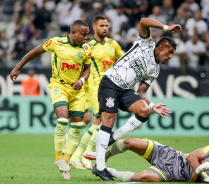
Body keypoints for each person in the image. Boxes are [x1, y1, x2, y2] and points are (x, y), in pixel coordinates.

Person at [93, 17, 182, 181]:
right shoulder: (146, 44)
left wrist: (152, 105)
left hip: (125, 90)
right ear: (161, 47)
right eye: (169, 53)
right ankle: (100, 167)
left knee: (144, 111)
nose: (170, 57)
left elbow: (141, 91)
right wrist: (166, 28)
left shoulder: (155, 70)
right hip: (111, 82)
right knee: (108, 120)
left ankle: (113, 138)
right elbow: (142, 21)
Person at [10, 20, 92, 180]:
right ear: (73, 33)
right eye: (83, 34)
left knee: (76, 126)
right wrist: (18, 66)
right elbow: (35, 52)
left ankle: (65, 163)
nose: (86, 37)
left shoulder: (86, 48)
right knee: (62, 119)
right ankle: (58, 158)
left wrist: (82, 80)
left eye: (87, 34)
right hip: (59, 86)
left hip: (77, 91)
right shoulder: (56, 42)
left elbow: (87, 69)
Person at [70, 15, 124, 170]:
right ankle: (84, 154)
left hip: (110, 87)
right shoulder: (88, 45)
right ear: (94, 28)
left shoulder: (113, 45)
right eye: (102, 26)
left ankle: (78, 156)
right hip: (95, 87)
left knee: (98, 122)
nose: (105, 28)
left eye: (106, 25)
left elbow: (125, 58)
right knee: (99, 120)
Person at [85, 138, 209, 183]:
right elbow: (191, 156)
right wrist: (201, 168)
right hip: (170, 155)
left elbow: (193, 181)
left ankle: (106, 171)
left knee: (142, 178)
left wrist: (199, 171)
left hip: (171, 173)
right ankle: (102, 158)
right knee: (129, 142)